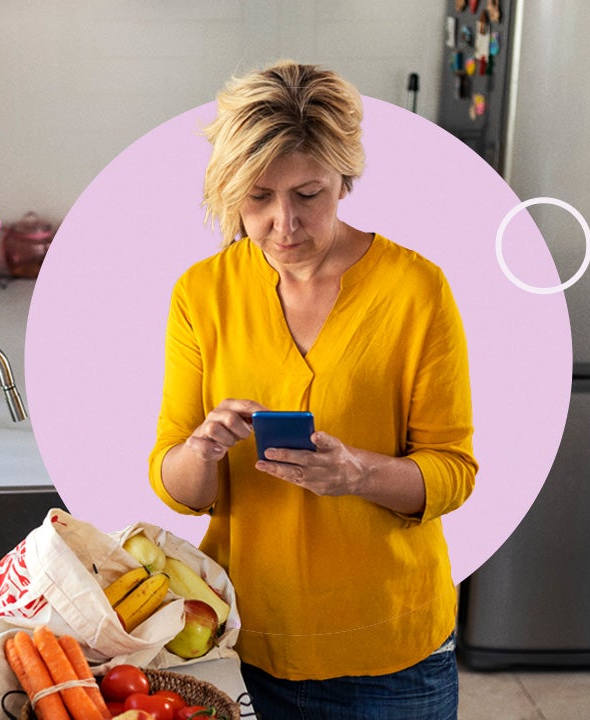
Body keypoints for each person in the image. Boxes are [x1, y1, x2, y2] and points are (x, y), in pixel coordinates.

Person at [148, 60, 477, 719]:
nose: (283, 225)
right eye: (258, 198)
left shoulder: (417, 291)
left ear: (345, 181)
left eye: (308, 194)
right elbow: (175, 488)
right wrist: (203, 449)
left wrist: (359, 475)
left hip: (393, 655)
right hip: (243, 644)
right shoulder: (201, 294)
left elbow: (453, 472)